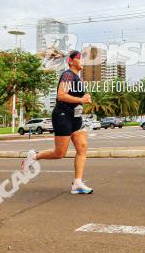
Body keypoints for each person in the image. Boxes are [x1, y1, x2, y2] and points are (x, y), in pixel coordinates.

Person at [23, 50, 93, 194]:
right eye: (80, 58)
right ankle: (34, 156)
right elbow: (61, 96)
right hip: (62, 115)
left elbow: (75, 96)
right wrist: (81, 99)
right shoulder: (68, 75)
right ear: (71, 61)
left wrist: (84, 97)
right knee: (60, 153)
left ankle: (77, 183)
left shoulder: (77, 77)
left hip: (75, 117)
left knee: (82, 147)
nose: (83, 61)